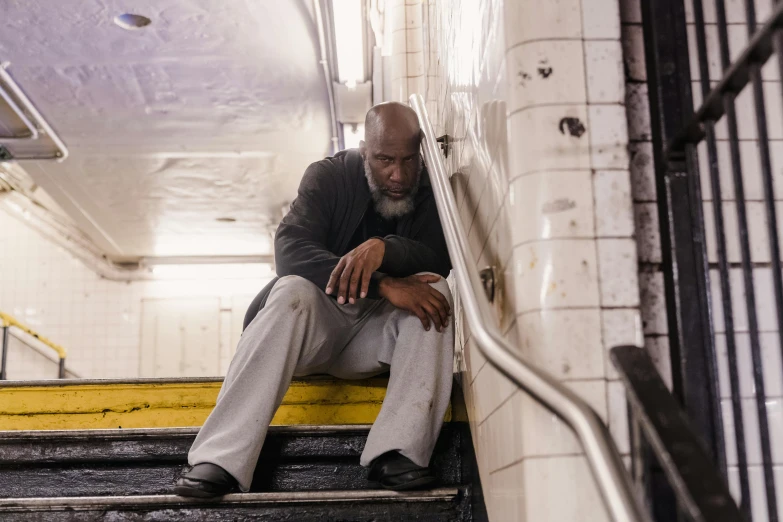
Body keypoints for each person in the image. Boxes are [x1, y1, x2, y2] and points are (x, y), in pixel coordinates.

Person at [174, 102, 454, 497]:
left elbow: (439, 257)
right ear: (364, 149)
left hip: (372, 344)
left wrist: (384, 250)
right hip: (313, 334)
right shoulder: (330, 175)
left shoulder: (431, 188)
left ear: (421, 152)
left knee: (435, 288)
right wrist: (383, 283)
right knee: (292, 288)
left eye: (408, 160)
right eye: (384, 159)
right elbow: (289, 250)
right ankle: (219, 459)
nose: (398, 174)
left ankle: (399, 452)